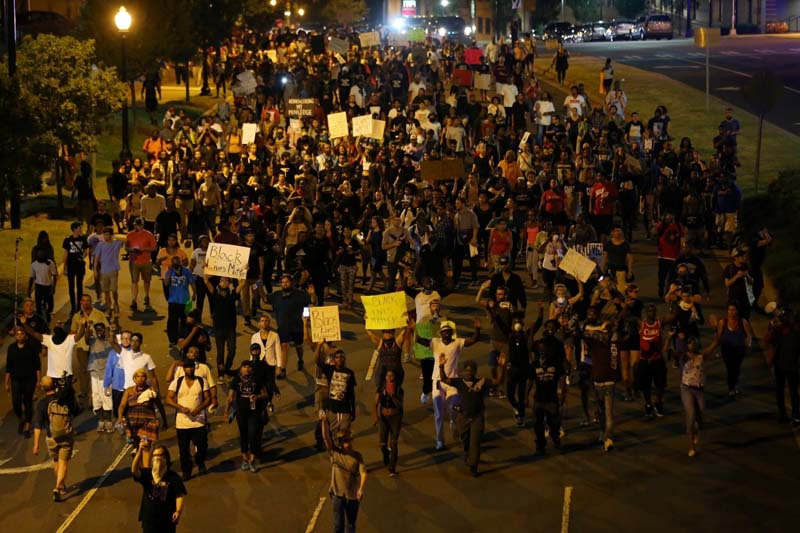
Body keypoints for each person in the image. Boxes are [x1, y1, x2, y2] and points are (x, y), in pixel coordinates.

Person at [438, 356, 505, 476]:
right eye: (466, 370)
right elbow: (444, 379)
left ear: (475, 372)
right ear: (463, 371)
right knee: (465, 440)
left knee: (475, 443)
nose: (468, 373)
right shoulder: (459, 382)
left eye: (471, 371)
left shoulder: (482, 382)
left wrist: (501, 366)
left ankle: (473, 465)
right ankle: (467, 453)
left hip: (476, 418)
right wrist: (441, 366)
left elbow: (498, 381)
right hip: (463, 418)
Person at [430, 319, 481, 450]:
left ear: (451, 333)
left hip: (453, 382)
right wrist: (413, 330)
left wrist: (477, 329)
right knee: (438, 414)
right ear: (441, 333)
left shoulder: (457, 343)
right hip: (438, 381)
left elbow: (473, 340)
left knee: (454, 409)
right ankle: (440, 440)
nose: (446, 334)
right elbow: (420, 341)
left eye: (448, 332)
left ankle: (453, 422)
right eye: (444, 332)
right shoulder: (435, 342)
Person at [32, 375, 79, 502]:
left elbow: (37, 425)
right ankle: (59, 487)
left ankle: (61, 485)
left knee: (56, 461)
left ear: (42, 387)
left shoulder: (41, 404)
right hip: (66, 435)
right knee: (63, 462)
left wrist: (36, 444)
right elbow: (75, 410)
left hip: (51, 437)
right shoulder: (62, 398)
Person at [320, 411, 367, 533]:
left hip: (353, 496)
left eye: (349, 440)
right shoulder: (334, 453)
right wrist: (324, 421)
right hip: (338, 496)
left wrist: (361, 488)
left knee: (351, 525)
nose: (348, 443)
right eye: (345, 441)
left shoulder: (357, 456)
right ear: (340, 443)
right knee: (338, 526)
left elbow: (363, 473)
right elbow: (325, 437)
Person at [166, 358, 211, 480]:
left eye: (191, 367)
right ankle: (186, 471)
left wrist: (198, 409)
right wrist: (180, 407)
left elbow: (208, 398)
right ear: (183, 369)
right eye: (187, 367)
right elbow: (168, 398)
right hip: (182, 423)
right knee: (183, 450)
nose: (189, 369)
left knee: (202, 446)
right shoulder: (177, 382)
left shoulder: (202, 381)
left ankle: (200, 462)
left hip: (199, 421)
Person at [132, 443, 187, 533]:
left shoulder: (173, 477)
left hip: (167, 521)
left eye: (159, 455)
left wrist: (178, 511)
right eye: (154, 455)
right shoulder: (147, 474)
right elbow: (134, 471)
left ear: (166, 458)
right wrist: (139, 452)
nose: (156, 458)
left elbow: (179, 495)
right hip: (149, 520)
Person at [225, 360, 268, 472]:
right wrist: (226, 412)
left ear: (252, 369)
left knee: (253, 434)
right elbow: (230, 397)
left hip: (254, 412)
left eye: (249, 367)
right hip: (241, 412)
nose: (246, 369)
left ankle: (252, 460)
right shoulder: (236, 380)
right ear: (241, 368)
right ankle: (245, 459)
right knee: (243, 435)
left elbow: (265, 394)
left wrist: (257, 397)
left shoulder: (257, 379)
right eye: (244, 366)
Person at [119, 367, 168, 465]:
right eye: (138, 376)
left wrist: (164, 420)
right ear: (134, 379)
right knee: (137, 444)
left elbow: (159, 405)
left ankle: (146, 468)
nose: (140, 378)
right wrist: (120, 416)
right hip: (133, 422)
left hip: (147, 423)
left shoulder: (151, 390)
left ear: (146, 378)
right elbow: (122, 405)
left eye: (142, 376)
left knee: (145, 445)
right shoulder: (129, 391)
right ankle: (138, 464)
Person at [677, 337, 717, 457]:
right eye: (690, 342)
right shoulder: (684, 356)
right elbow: (674, 352)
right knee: (691, 414)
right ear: (687, 345)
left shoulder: (702, 356)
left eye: (694, 342)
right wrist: (671, 340)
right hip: (686, 389)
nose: (692, 344)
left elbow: (714, 344)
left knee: (700, 417)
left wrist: (719, 331)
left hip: (699, 390)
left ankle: (696, 431)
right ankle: (692, 447)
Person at [69, 294, 109, 407]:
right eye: (84, 301)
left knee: (96, 370)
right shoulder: (77, 316)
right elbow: (72, 332)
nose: (86, 303)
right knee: (83, 370)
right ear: (81, 302)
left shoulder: (99, 314)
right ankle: (84, 393)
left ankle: (96, 394)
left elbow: (106, 328)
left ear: (91, 302)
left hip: (96, 346)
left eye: (88, 300)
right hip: (82, 346)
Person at [267, 274, 310, 377]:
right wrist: (258, 286)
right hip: (283, 326)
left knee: (298, 346)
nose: (284, 284)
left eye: (286, 282)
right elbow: (265, 299)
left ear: (292, 283)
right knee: (284, 346)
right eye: (282, 282)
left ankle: (300, 360)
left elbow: (307, 306)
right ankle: (283, 369)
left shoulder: (301, 294)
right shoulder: (276, 295)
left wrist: (306, 319)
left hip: (297, 326)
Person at [763, 306, 800, 427]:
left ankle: (796, 416)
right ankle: (782, 414)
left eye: (787, 317)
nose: (786, 319)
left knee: (794, 392)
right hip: (779, 364)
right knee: (780, 390)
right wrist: (773, 329)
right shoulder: (777, 328)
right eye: (784, 317)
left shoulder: (796, 329)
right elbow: (766, 340)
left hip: (793, 366)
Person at [706, 303, 752, 398]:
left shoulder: (742, 322)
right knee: (730, 368)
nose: (731, 312)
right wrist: (714, 348)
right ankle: (732, 387)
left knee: (736, 367)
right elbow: (718, 337)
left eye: (733, 310)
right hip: (727, 350)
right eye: (729, 310)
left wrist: (748, 343)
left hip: (739, 350)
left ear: (737, 311)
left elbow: (748, 335)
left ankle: (734, 383)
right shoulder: (723, 322)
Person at [5, 327, 41, 437]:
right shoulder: (11, 348)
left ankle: (27, 425)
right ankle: (21, 417)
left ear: (25, 336)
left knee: (27, 402)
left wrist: (39, 380)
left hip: (29, 379)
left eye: (21, 334)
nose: (19, 336)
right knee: (16, 401)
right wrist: (7, 383)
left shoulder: (31, 348)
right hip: (16, 379)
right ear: (15, 336)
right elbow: (8, 367)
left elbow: (37, 365)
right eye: (17, 334)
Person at [317, 348, 357, 445]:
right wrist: (319, 346)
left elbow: (351, 393)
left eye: (341, 357)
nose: (339, 359)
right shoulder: (330, 370)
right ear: (334, 360)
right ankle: (337, 456)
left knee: (344, 435)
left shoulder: (349, 372)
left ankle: (345, 455)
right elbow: (318, 361)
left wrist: (353, 410)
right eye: (337, 357)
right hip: (332, 409)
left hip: (345, 409)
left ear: (344, 359)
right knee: (334, 435)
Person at [85, 322, 115, 432]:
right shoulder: (92, 341)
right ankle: (101, 421)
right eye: (97, 330)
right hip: (95, 374)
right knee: (96, 400)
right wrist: (86, 328)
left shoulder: (109, 342)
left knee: (107, 398)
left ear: (105, 330)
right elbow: (86, 339)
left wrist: (112, 332)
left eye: (101, 330)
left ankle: (109, 422)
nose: (99, 332)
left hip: (106, 375)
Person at [373, 368, 403, 476]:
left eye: (391, 376)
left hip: (395, 418)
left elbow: (400, 405)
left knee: (394, 443)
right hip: (383, 418)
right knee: (382, 444)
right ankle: (386, 454)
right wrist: (375, 416)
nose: (389, 377)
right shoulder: (381, 388)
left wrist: (393, 396)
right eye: (387, 376)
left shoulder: (399, 389)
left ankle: (392, 468)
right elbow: (375, 403)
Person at [126, 217, 158, 311]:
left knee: (147, 280)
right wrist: (131, 250)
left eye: (139, 225)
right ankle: (134, 300)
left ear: (142, 226)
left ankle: (147, 296)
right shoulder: (130, 235)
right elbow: (126, 247)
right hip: (134, 261)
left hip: (146, 261)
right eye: (136, 225)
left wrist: (144, 249)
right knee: (134, 281)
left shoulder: (148, 235)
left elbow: (154, 248)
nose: (137, 227)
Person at [164, 256, 196, 348]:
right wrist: (170, 271)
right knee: (172, 321)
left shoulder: (186, 272)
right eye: (174, 263)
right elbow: (166, 283)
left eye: (177, 262)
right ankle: (173, 340)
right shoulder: (169, 272)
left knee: (184, 321)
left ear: (181, 262)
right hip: (173, 301)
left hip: (184, 301)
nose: (176, 264)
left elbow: (192, 282)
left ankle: (184, 338)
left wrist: (194, 293)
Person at [93, 227, 125, 318]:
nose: (106, 236)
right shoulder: (100, 245)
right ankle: (108, 307)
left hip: (114, 270)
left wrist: (115, 237)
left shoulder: (116, 243)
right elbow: (96, 258)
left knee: (114, 290)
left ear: (111, 235)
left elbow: (125, 238)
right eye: (104, 234)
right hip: (103, 271)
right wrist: (95, 270)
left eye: (107, 234)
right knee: (106, 290)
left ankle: (116, 304)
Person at [62, 221, 90, 315]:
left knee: (79, 286)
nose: (81, 230)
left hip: (79, 265)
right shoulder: (67, 240)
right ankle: (73, 305)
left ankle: (79, 305)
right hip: (71, 265)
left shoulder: (83, 239)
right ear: (74, 229)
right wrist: (64, 266)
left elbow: (86, 250)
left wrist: (83, 256)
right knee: (71, 286)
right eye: (79, 228)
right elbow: (66, 253)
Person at [28, 247, 58, 323]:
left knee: (50, 305)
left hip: (48, 287)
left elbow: (55, 275)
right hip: (39, 287)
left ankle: (48, 313)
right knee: (38, 305)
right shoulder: (34, 265)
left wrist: (53, 287)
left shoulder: (50, 264)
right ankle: (41, 320)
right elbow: (31, 277)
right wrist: (29, 290)